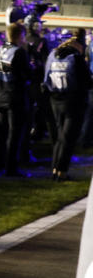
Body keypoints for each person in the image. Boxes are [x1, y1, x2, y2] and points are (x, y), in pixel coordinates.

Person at [43, 35, 90, 181]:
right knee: (68, 138)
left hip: (55, 99)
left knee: (59, 137)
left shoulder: (53, 55)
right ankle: (62, 171)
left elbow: (46, 79)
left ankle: (55, 168)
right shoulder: (75, 58)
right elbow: (86, 81)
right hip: (73, 101)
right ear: (78, 46)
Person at [0, 23, 30, 177]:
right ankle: (11, 168)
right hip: (15, 97)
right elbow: (25, 76)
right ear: (20, 35)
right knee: (14, 135)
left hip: (0, 95)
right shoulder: (19, 52)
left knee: (0, 133)